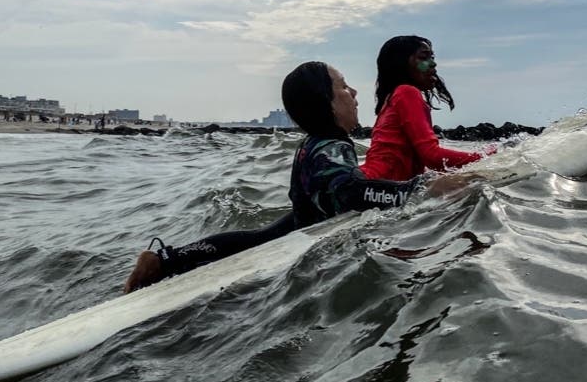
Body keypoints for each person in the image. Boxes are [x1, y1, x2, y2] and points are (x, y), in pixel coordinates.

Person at [123, 61, 433, 293]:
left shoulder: (316, 142)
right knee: (262, 237)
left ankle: (166, 259)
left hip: (303, 220)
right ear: (325, 101)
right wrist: (419, 190)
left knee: (260, 236)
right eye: (343, 86)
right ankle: (165, 260)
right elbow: (350, 190)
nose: (353, 93)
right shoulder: (330, 147)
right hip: (303, 235)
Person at [361, 35, 491, 182]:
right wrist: (490, 159)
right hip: (377, 185)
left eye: (432, 57)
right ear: (402, 64)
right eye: (424, 58)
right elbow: (432, 156)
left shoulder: (392, 99)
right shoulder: (406, 92)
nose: (433, 64)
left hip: (371, 184)